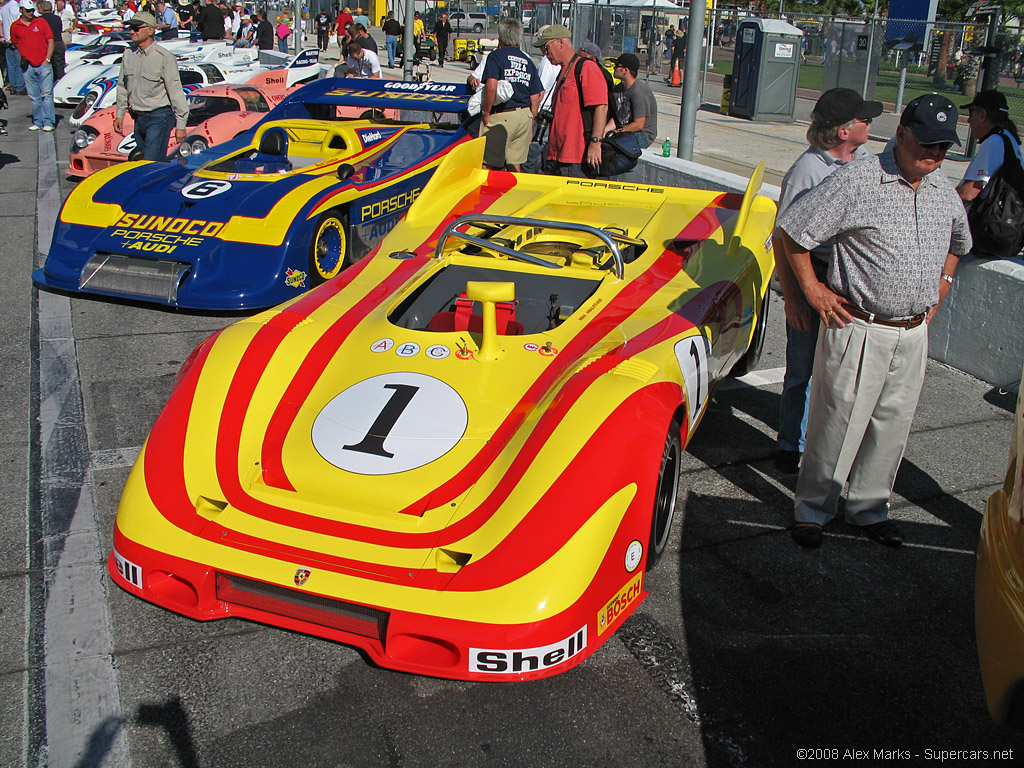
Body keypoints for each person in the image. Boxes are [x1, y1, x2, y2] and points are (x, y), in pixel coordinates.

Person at [777, 94, 972, 549]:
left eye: (943, 147)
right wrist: (811, 291)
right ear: (901, 134)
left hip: (912, 331)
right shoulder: (859, 179)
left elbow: (959, 241)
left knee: (892, 424)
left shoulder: (942, 186)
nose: (935, 154)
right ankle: (813, 509)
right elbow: (793, 230)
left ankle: (868, 508)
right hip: (859, 326)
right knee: (836, 421)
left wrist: (942, 285)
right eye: (926, 143)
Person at [773, 88, 881, 475]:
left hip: (850, 276)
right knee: (802, 368)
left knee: (844, 374)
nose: (871, 124)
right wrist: (794, 298)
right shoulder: (807, 172)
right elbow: (783, 239)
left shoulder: (866, 162)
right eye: (864, 120)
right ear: (843, 132)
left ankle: (832, 443)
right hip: (813, 275)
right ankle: (791, 443)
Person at [533, 23, 607, 177]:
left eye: (546, 48)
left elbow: (601, 107)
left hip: (576, 157)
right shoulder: (563, 71)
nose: (545, 53)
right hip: (556, 154)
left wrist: (595, 142)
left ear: (561, 42)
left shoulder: (586, 68)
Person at [114, 12, 189, 160]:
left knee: (151, 163)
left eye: (136, 28)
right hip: (138, 118)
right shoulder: (128, 54)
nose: (131, 31)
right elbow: (122, 86)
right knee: (141, 162)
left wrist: (181, 125)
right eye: (130, 28)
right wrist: (120, 114)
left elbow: (176, 92)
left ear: (150, 30)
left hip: (159, 117)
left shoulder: (164, 57)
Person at [479, 17, 540, 171]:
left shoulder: (496, 56)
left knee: (488, 164)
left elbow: (491, 87)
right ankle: (514, 193)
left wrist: (486, 113)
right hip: (524, 116)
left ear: (500, 37)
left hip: (503, 116)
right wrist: (531, 121)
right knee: (515, 163)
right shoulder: (527, 61)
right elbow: (536, 95)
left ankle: (489, 194)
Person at [956, 90, 1022, 207]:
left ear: (982, 114)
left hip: (985, 222)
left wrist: (944, 202)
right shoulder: (1007, 137)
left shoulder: (994, 141)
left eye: (971, 114)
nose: (968, 120)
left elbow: (969, 193)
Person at [10, 0, 54, 131]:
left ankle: (48, 122)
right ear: (21, 10)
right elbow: (16, 42)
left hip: (43, 63)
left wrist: (47, 59)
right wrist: (24, 55)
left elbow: (50, 41)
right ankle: (38, 121)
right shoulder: (15, 26)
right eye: (28, 10)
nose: (31, 13)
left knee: (46, 94)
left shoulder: (41, 22)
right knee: (34, 96)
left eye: (32, 10)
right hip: (27, 65)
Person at [609, 52, 656, 149]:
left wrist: (617, 132)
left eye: (617, 66)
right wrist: (603, 132)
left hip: (642, 134)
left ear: (626, 70)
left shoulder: (639, 92)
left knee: (613, 148)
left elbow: (638, 125)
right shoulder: (617, 89)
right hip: (624, 130)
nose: (614, 68)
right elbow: (617, 118)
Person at [1, 0, 26, 94]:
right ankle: (19, 87)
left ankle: (12, 85)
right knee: (19, 64)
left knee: (11, 65)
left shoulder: (4, 7)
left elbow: (1, 23)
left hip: (7, 40)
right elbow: (19, 23)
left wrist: (3, 36)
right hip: (16, 39)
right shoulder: (16, 7)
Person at [36, 0, 63, 81]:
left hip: (47, 44)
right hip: (58, 42)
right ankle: (60, 82)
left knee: (46, 66)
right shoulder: (57, 18)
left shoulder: (40, 20)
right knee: (59, 67)